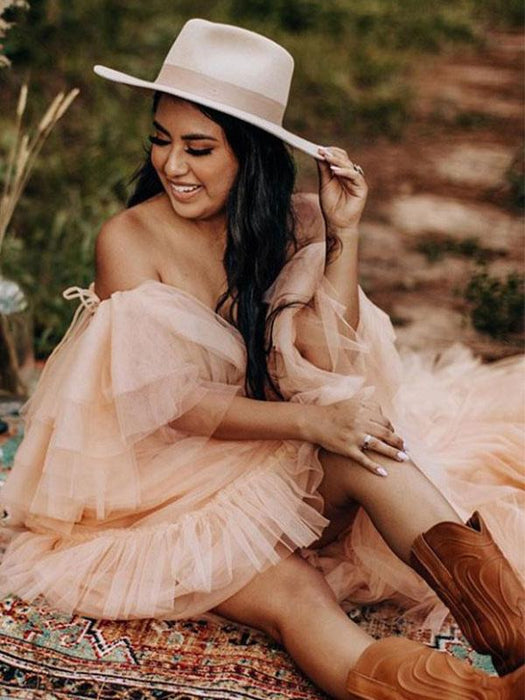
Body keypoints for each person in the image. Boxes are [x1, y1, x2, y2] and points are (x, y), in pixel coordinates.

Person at [0, 18, 523, 700]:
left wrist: (342, 234)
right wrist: (313, 424)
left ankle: (517, 639)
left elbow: (327, 359)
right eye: (161, 139)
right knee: (295, 594)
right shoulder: (128, 239)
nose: (172, 166)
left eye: (198, 148)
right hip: (149, 497)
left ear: (250, 156)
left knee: (372, 451)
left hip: (255, 463)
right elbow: (176, 405)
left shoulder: (291, 223)